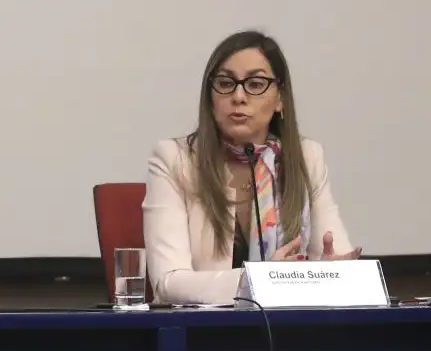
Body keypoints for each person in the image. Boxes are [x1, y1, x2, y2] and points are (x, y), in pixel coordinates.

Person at [144, 29, 357, 305]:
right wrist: (263, 280)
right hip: (207, 334)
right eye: (225, 83)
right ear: (211, 98)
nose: (239, 96)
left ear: (279, 97)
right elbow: (168, 283)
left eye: (255, 84)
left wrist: (334, 272)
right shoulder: (174, 160)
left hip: (291, 331)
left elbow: (334, 253)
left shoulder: (307, 158)